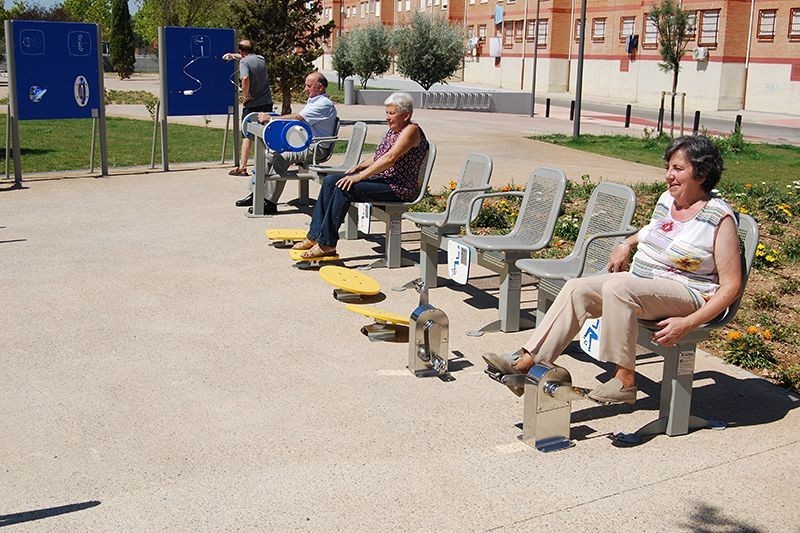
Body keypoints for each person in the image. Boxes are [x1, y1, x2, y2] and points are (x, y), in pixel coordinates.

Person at [483, 135, 743, 404]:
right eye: (668, 168)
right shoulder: (668, 201)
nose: (668, 176)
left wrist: (688, 324)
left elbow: (731, 286)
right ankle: (526, 364)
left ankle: (625, 381)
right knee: (578, 288)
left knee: (618, 286)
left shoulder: (717, 218)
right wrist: (626, 243)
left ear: (702, 172)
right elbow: (651, 233)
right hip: (644, 283)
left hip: (687, 293)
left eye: (677, 169)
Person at [291, 92, 429, 260]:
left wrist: (360, 176)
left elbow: (390, 158)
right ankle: (314, 236)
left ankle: (327, 244)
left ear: (406, 115)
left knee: (344, 188)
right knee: (330, 181)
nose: (387, 117)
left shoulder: (411, 131)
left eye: (391, 113)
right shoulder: (394, 130)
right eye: (386, 113)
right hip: (384, 181)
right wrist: (359, 166)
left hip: (399, 187)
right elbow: (380, 156)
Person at [234, 72, 338, 214]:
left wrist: (270, 118)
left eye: (308, 86)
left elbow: (298, 118)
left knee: (282, 157)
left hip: (316, 148)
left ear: (320, 88)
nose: (305, 89)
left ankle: (269, 202)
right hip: (305, 143)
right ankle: (256, 194)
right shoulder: (314, 101)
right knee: (267, 155)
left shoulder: (324, 104)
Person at [224, 40, 273, 177]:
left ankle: (242, 167)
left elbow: (245, 78)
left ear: (241, 50)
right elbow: (247, 57)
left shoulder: (244, 63)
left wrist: (246, 95)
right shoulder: (261, 59)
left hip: (252, 104)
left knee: (247, 134)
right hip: (266, 102)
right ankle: (268, 164)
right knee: (265, 134)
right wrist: (232, 55)